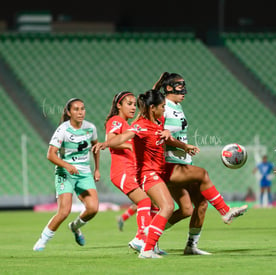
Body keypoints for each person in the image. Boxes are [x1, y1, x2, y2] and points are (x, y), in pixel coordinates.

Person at [94, 89, 248, 258]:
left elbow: (167, 138)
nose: (164, 109)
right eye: (162, 106)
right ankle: (146, 248)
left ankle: (145, 244)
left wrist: (184, 146)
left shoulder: (158, 123)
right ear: (153, 108)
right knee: (166, 207)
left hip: (160, 170)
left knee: (181, 202)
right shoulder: (141, 125)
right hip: (147, 173)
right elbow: (123, 137)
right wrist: (106, 143)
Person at [153, 72, 248, 255]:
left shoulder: (176, 106)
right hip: (168, 163)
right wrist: (184, 146)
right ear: (169, 88)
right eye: (179, 86)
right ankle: (225, 211)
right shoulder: (163, 108)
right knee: (203, 173)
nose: (184, 91)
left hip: (180, 161)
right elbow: (160, 135)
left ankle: (189, 245)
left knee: (197, 205)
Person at [33, 98, 100, 251]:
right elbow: (51, 154)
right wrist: (67, 165)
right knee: (64, 211)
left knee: (93, 208)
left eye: (82, 109)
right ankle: (42, 240)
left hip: (84, 173)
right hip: (65, 172)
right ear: (69, 112)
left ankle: (75, 227)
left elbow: (96, 147)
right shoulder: (63, 129)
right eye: (76, 109)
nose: (80, 112)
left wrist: (96, 169)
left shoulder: (90, 128)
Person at [104, 91, 153, 251]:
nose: (133, 107)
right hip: (122, 170)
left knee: (151, 202)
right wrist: (131, 146)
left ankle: (146, 240)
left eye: (134, 104)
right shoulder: (116, 120)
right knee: (145, 201)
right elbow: (110, 141)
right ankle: (141, 238)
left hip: (131, 170)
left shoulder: (128, 125)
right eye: (129, 104)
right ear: (119, 105)